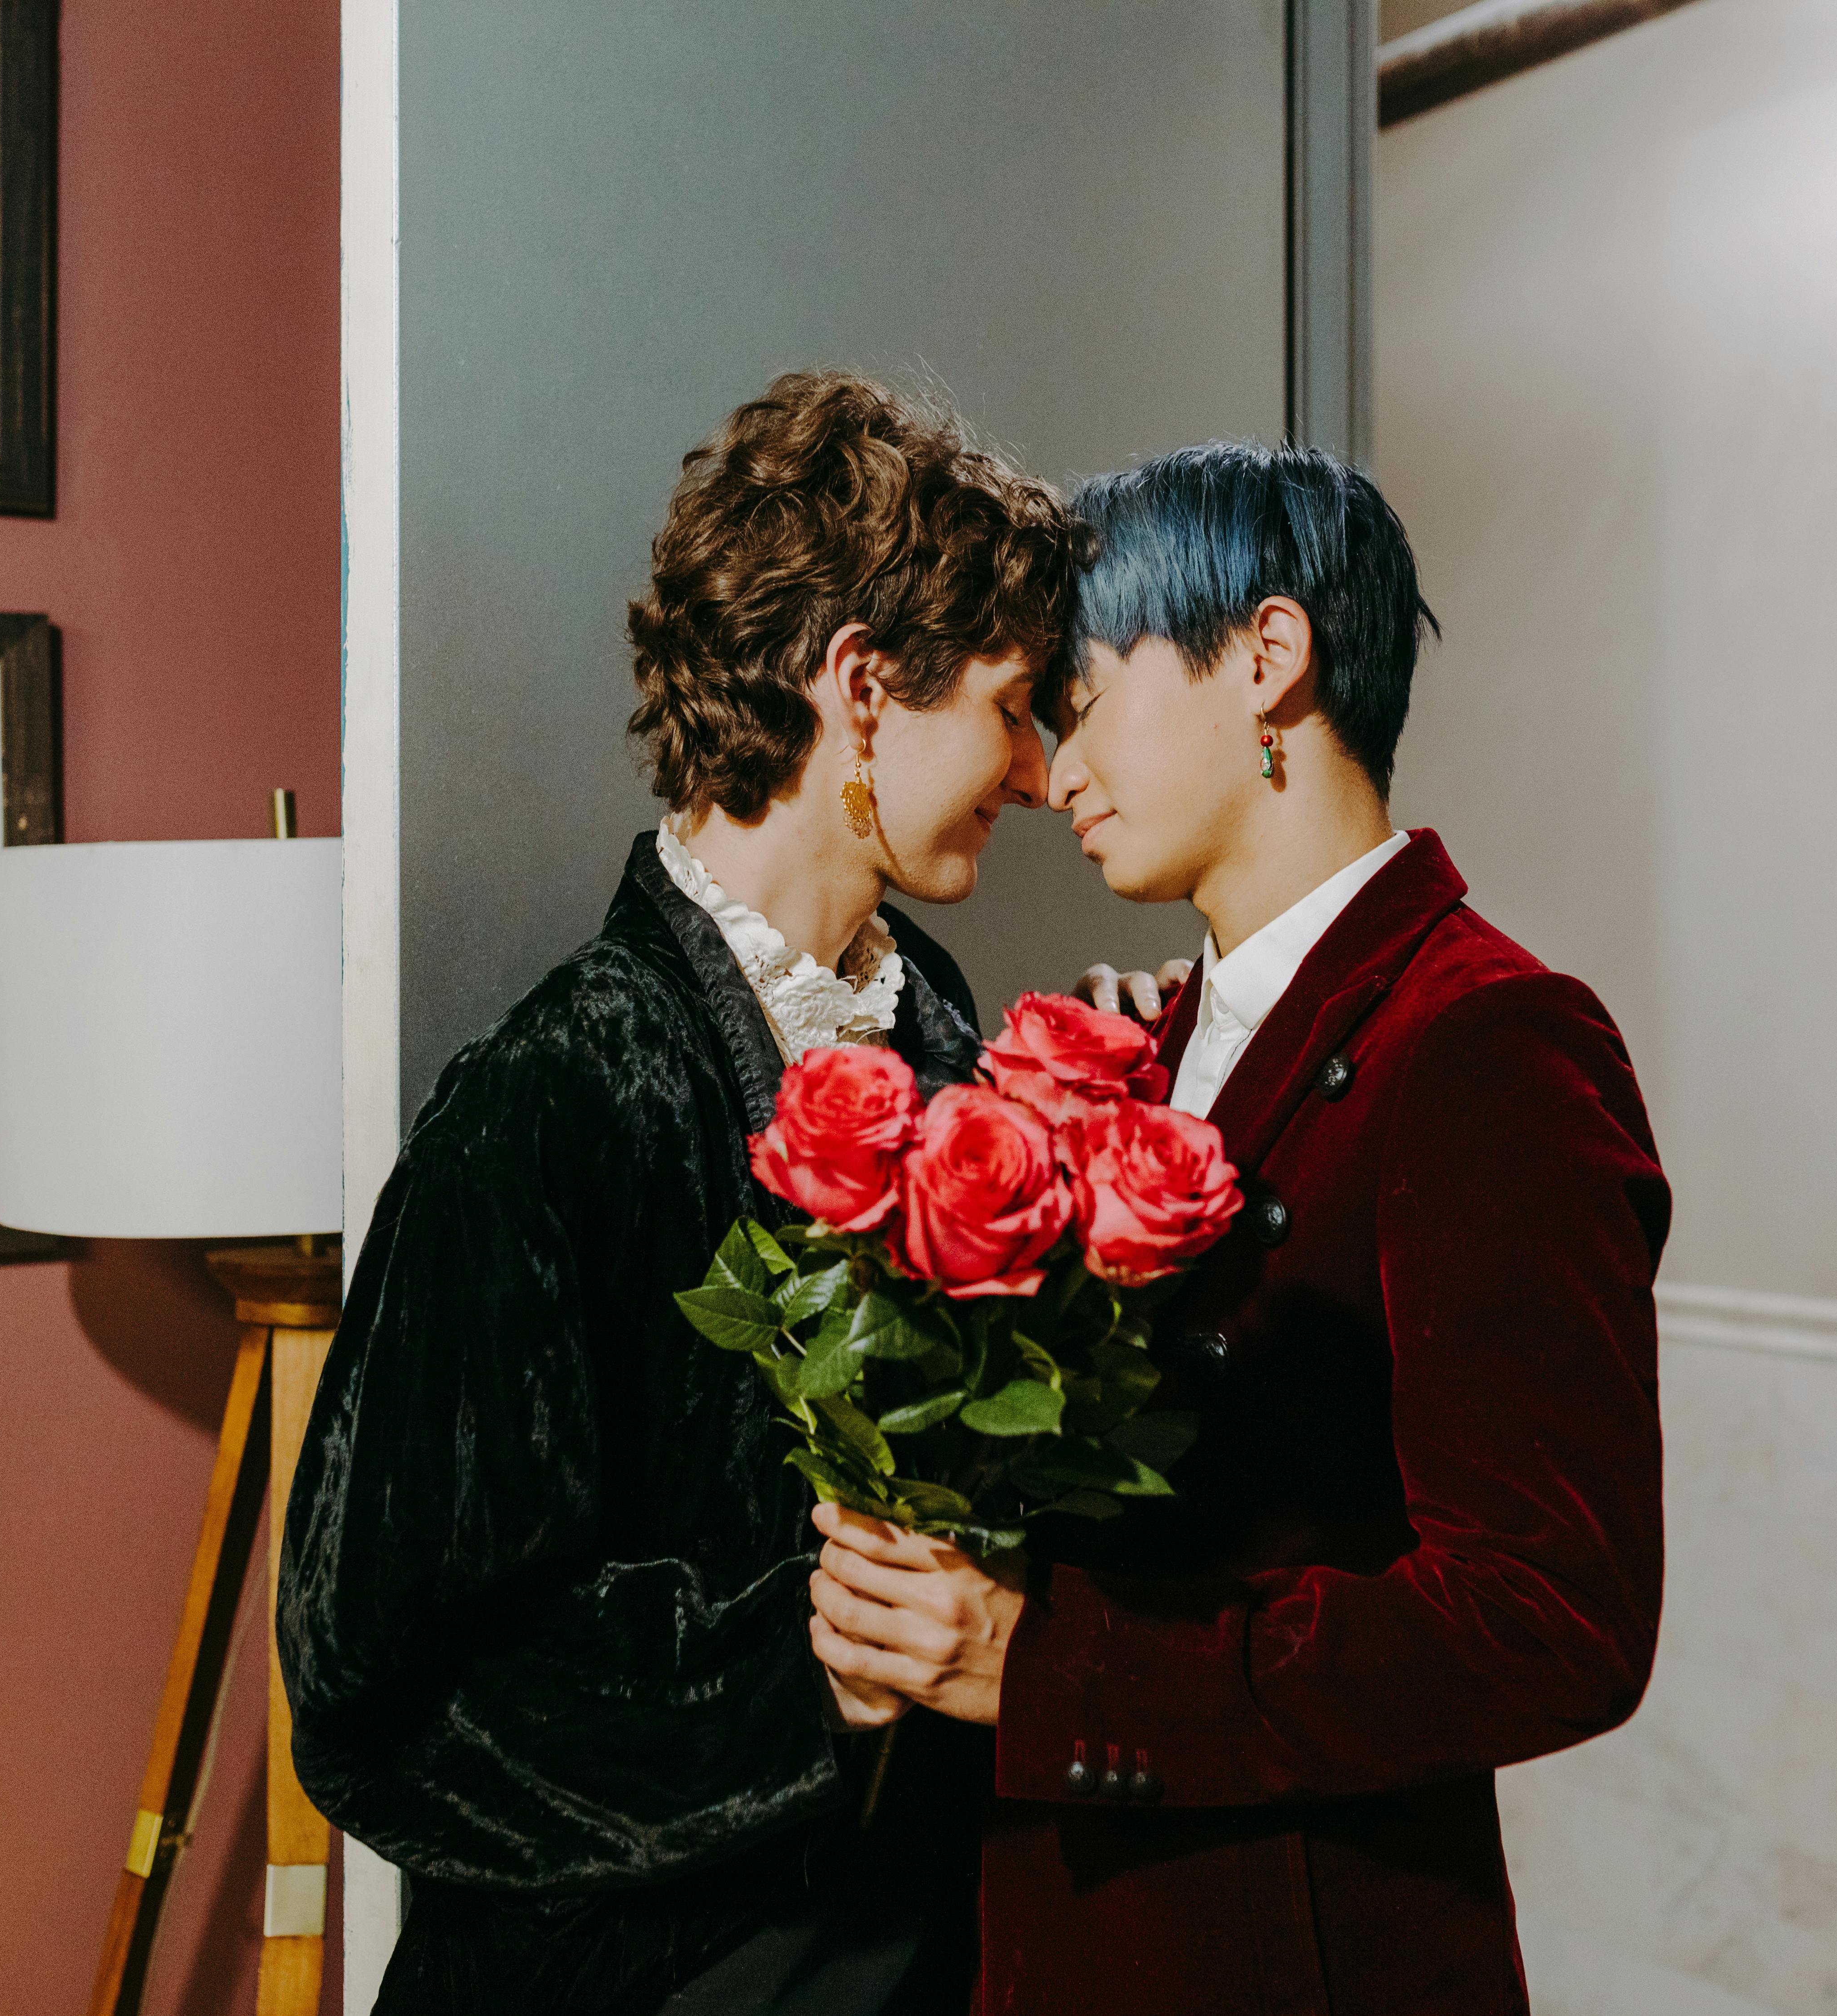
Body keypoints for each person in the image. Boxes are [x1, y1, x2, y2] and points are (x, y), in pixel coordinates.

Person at [803, 443, 1670, 2014]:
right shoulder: (1155, 1036)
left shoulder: (1488, 1040)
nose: (1051, 771)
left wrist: (1051, 1671)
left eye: (1083, 699)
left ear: (1267, 660)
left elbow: (1556, 1617)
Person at [278, 370, 1072, 2015]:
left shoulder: (958, 1043)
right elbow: (382, 1688)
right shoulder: (545, 1106)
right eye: (1013, 705)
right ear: (862, 683)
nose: (1044, 770)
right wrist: (808, 1665)